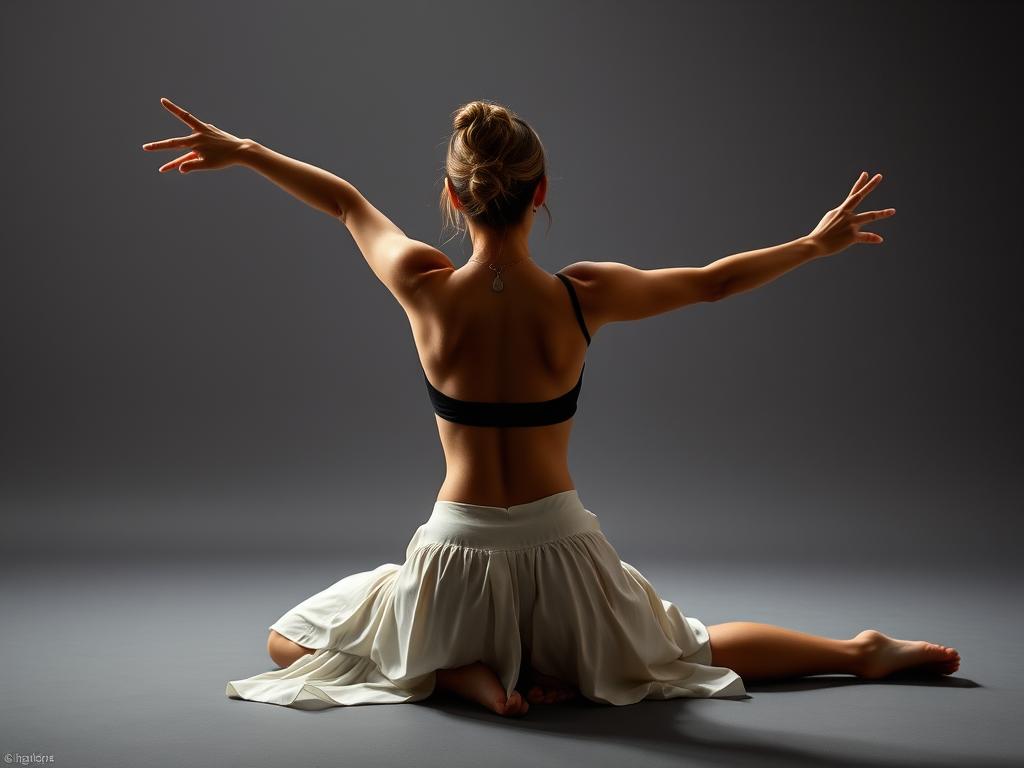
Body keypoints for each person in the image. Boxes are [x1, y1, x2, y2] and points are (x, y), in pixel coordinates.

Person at [143, 97, 960, 716]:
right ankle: (858, 653)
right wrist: (814, 243)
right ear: (541, 192)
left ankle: (457, 673)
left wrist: (245, 151)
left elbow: (348, 203)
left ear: (453, 199)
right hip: (565, 556)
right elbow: (713, 282)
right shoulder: (582, 296)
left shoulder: (424, 290)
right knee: (684, 645)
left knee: (294, 642)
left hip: (452, 561)